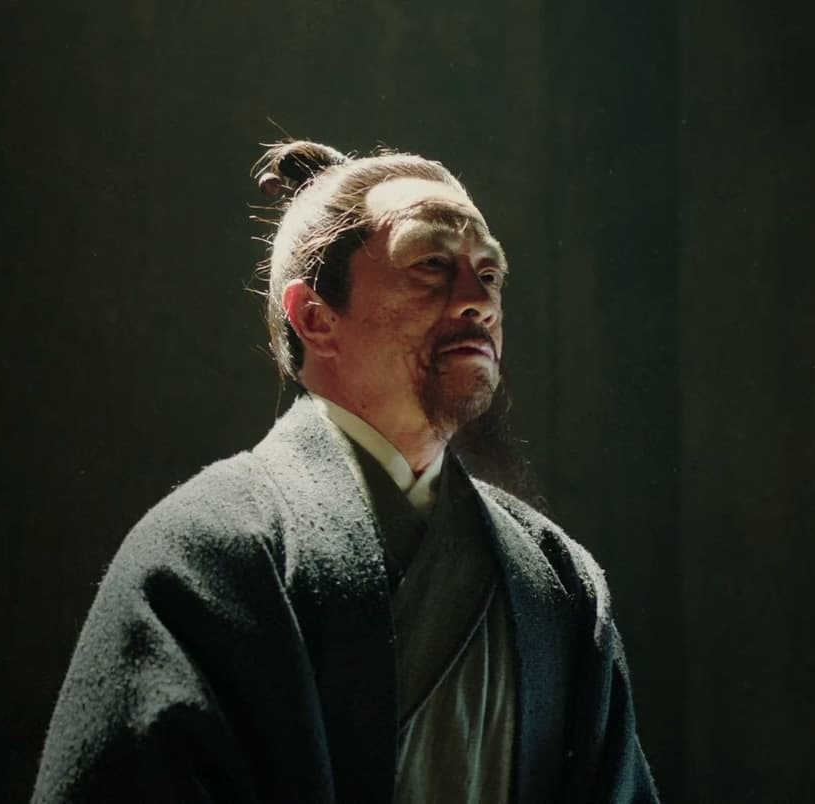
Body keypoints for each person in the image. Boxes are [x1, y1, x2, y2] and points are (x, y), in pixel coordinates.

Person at [32, 140, 660, 803]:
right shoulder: (208, 551)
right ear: (314, 317)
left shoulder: (557, 581)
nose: (478, 300)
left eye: (490, 273)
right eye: (432, 264)